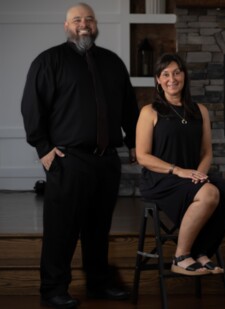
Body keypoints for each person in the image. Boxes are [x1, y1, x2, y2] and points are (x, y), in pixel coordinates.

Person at [20, 3, 138, 308]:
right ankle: (53, 289)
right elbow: (32, 107)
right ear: (66, 25)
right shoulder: (49, 61)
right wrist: (43, 148)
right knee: (61, 229)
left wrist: (135, 142)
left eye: (88, 19)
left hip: (106, 160)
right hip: (67, 160)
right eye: (77, 20)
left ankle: (99, 283)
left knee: (98, 229)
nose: (83, 24)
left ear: (96, 25)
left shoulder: (112, 62)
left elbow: (128, 107)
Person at [136, 53, 225, 277]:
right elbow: (143, 156)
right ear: (158, 80)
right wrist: (178, 171)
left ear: (184, 76)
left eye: (177, 72)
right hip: (161, 178)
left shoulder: (199, 110)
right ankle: (180, 257)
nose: (172, 78)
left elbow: (206, 152)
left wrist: (198, 175)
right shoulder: (150, 111)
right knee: (210, 193)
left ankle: (202, 252)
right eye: (165, 74)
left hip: (191, 176)